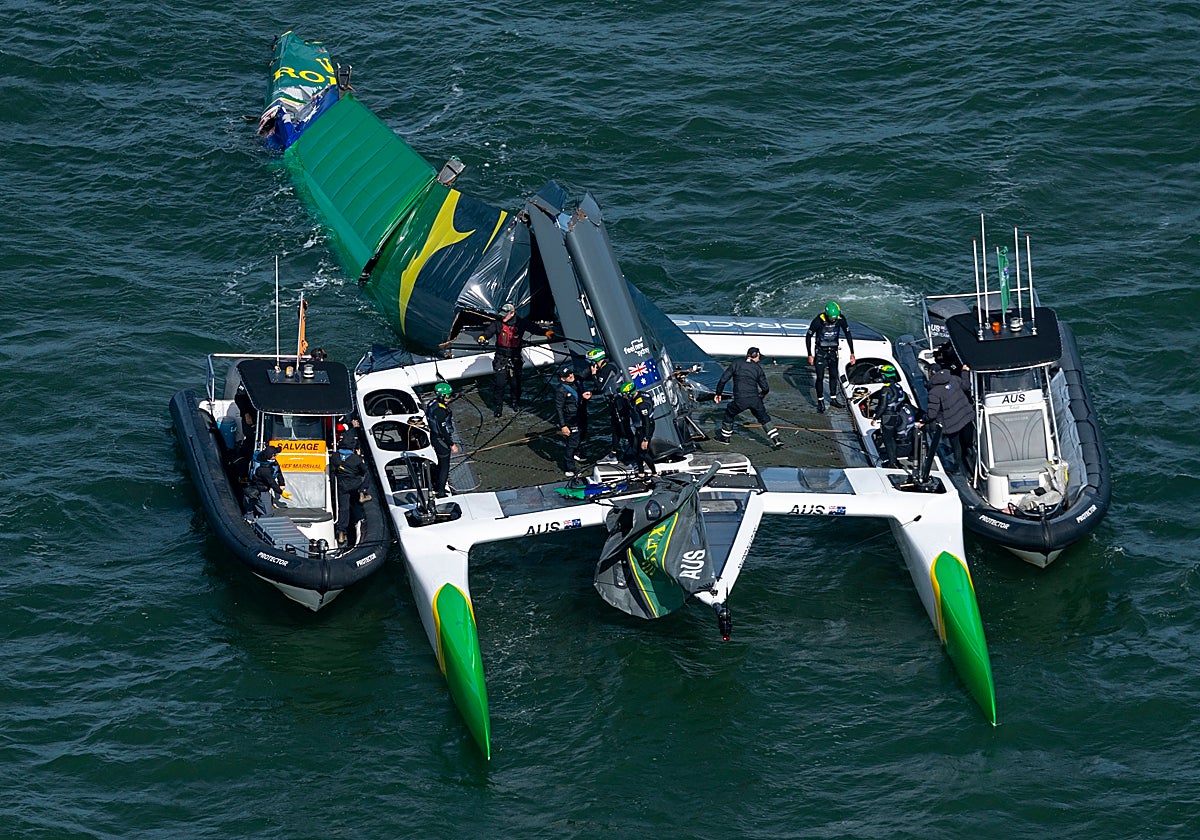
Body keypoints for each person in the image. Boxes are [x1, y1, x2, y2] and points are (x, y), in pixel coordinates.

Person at [478, 302, 554, 417]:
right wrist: (483, 337)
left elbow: (534, 328)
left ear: (512, 313)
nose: (503, 317)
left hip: (515, 357)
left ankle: (515, 403)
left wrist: (546, 332)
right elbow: (489, 331)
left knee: (515, 383)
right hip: (501, 357)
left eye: (505, 314)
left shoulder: (521, 323)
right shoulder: (498, 323)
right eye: (502, 314)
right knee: (500, 383)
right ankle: (498, 407)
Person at [714, 346, 783, 448]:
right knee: (764, 418)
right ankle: (776, 440)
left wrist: (718, 394)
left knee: (729, 413)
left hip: (740, 400)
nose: (759, 359)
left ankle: (725, 438)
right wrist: (762, 395)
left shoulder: (736, 364)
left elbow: (723, 380)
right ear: (756, 356)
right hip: (755, 399)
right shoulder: (757, 368)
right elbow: (765, 388)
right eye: (759, 356)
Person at [805, 301, 856, 413]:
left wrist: (852, 353)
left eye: (835, 318)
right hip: (820, 352)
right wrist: (809, 354)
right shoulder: (818, 320)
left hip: (833, 351)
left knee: (834, 375)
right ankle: (820, 401)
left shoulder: (840, 319)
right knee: (820, 377)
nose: (833, 320)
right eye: (831, 318)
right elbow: (808, 336)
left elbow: (848, 334)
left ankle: (833, 398)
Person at [870, 365, 923, 468]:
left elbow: (882, 406)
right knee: (892, 439)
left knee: (888, 441)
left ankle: (892, 463)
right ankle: (895, 461)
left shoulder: (886, 389)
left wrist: (875, 418)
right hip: (896, 416)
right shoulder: (898, 386)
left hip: (887, 418)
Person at [924, 363, 974, 471]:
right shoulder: (954, 379)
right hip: (965, 416)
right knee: (967, 444)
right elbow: (966, 386)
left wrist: (924, 419)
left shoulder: (934, 392)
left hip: (951, 423)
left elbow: (932, 413)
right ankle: (972, 464)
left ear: (931, 374)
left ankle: (959, 469)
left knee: (956, 446)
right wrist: (964, 372)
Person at [581, 347, 623, 460]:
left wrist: (594, 374)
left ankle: (635, 454)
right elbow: (603, 388)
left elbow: (600, 385)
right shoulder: (607, 366)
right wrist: (592, 393)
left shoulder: (607, 368)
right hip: (614, 401)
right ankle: (614, 453)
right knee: (615, 428)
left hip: (618, 402)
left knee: (623, 428)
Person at [333, 433, 370, 546]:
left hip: (342, 485)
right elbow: (364, 471)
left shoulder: (334, 456)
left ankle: (341, 532)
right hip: (355, 485)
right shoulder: (356, 459)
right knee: (367, 475)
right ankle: (362, 493)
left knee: (343, 508)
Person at [554, 365, 591, 476]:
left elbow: (584, 373)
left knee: (583, 434)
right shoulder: (561, 390)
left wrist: (593, 366)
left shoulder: (576, 380)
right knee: (572, 443)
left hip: (581, 414)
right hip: (571, 419)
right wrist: (563, 426)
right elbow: (558, 408)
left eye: (570, 373)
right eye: (567, 375)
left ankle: (577, 453)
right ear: (562, 379)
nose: (570, 376)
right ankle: (569, 467)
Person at [617, 381, 657, 475]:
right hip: (639, 428)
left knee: (643, 452)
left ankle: (654, 472)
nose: (624, 397)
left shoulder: (641, 404)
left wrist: (646, 439)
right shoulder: (638, 396)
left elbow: (646, 422)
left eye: (625, 395)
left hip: (646, 428)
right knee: (635, 450)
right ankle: (641, 472)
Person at [426, 381, 459, 496]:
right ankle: (440, 491)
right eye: (448, 396)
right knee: (445, 466)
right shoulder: (440, 411)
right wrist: (451, 444)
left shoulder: (432, 403)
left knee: (441, 463)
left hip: (435, 437)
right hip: (441, 440)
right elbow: (443, 430)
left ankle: (438, 484)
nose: (450, 398)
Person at [246, 444, 288, 518]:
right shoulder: (264, 470)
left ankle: (250, 516)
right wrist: (280, 492)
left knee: (254, 505)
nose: (276, 457)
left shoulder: (271, 461)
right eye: (274, 455)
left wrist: (282, 483)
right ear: (269, 457)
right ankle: (255, 522)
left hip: (260, 488)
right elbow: (271, 482)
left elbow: (278, 471)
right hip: (260, 490)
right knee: (267, 513)